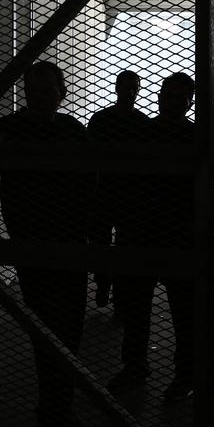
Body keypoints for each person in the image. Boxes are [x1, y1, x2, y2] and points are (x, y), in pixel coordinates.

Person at [0, 61, 92, 427]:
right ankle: (57, 417)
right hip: (40, 249)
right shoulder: (22, 129)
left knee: (64, 333)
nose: (40, 96)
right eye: (34, 90)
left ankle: (55, 413)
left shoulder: (58, 130)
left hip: (64, 246)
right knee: (51, 333)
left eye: (46, 90)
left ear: (60, 91)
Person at [106, 72, 197, 404]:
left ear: (189, 102)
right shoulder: (189, 136)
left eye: (177, 97)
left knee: (177, 311)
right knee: (142, 307)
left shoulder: (146, 132)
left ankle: (164, 371)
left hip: (161, 234)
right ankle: (163, 371)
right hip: (159, 234)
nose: (169, 101)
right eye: (167, 95)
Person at [87, 71, 149, 310]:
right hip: (119, 193)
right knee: (115, 244)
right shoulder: (141, 121)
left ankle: (108, 287)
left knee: (107, 244)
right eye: (127, 87)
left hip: (109, 191)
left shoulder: (101, 119)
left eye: (134, 88)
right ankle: (113, 290)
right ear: (117, 88)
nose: (131, 92)